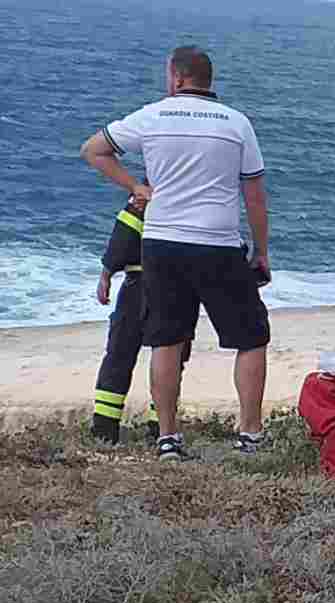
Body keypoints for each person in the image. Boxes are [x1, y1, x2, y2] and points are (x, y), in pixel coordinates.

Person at [81, 45, 271, 461]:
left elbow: (93, 149)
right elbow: (254, 193)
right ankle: (250, 436)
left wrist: (135, 187)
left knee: (166, 338)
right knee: (251, 338)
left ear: (178, 78)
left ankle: (168, 438)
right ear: (207, 80)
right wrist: (261, 250)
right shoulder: (237, 123)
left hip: (162, 245)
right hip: (217, 243)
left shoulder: (152, 116)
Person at [91, 185, 194, 444]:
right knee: (171, 358)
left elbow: (125, 233)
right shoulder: (197, 190)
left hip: (140, 283)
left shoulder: (146, 191)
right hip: (181, 286)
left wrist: (106, 274)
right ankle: (161, 430)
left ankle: (104, 430)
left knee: (120, 353)